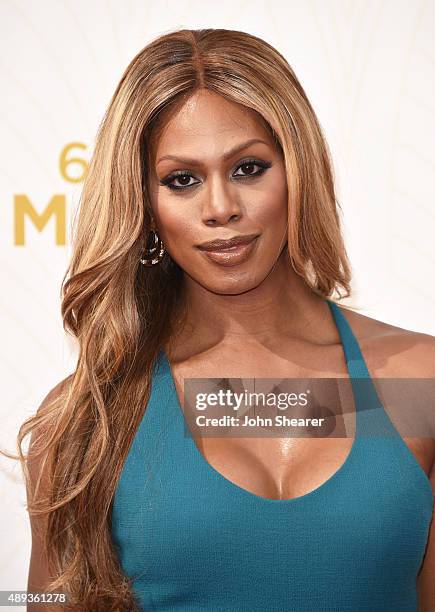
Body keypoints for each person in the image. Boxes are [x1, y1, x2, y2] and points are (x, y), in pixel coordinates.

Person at [15, 28, 434, 611]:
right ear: (144, 203)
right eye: (181, 180)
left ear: (297, 171)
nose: (220, 208)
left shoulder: (420, 383)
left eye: (248, 168)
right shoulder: (87, 422)